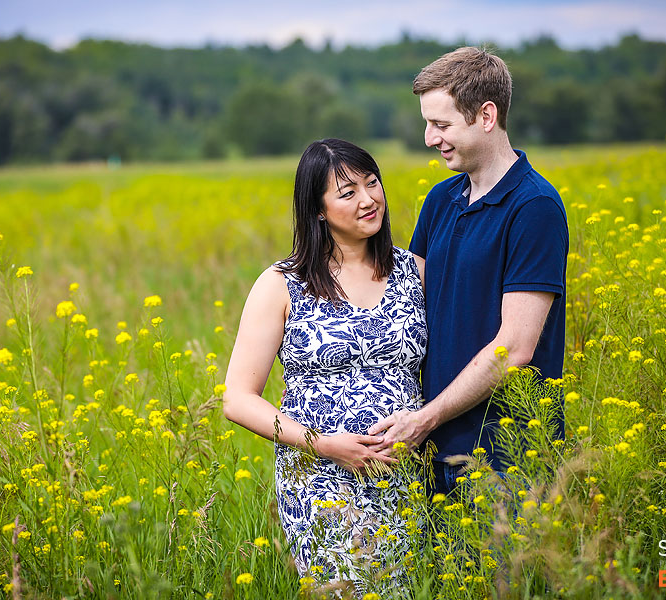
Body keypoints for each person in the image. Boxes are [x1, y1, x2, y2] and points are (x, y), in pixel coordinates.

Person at [222, 139, 427, 592]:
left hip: (406, 472)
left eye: (372, 183)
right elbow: (237, 399)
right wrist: (324, 444)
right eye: (348, 192)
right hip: (321, 478)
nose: (368, 200)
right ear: (318, 210)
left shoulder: (415, 271)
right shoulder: (282, 284)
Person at [368, 47, 569, 494]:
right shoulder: (441, 200)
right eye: (427, 124)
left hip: (507, 457)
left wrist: (426, 418)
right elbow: (404, 308)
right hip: (428, 451)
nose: (429, 138)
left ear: (486, 116)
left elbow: (513, 348)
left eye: (442, 125)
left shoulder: (534, 207)